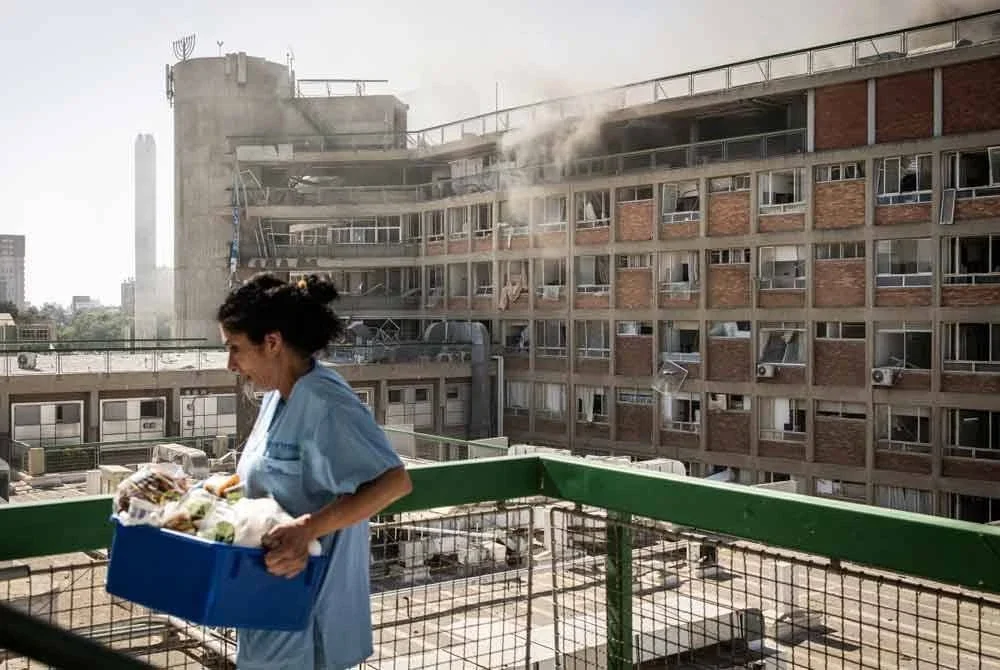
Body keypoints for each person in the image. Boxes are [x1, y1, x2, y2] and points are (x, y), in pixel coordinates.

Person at [218, 272, 413, 670]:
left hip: (308, 621)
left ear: (272, 342)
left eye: (235, 348)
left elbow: (394, 481)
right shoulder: (278, 397)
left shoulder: (327, 403)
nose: (231, 364)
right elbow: (270, 478)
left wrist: (307, 529)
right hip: (267, 610)